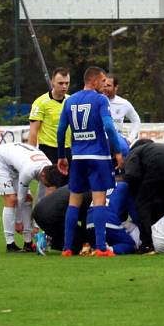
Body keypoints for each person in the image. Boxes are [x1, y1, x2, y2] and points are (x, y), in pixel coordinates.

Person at [57, 66, 124, 257]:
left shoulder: (70, 101)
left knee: (74, 201)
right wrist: (117, 151)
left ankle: (67, 248)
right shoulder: (100, 100)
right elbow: (109, 127)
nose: (105, 85)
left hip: (77, 158)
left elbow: (61, 130)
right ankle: (101, 247)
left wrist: (62, 155)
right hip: (99, 157)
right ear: (94, 81)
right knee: (99, 200)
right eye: (103, 81)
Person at [0, 142, 64, 252]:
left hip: (16, 163)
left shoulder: (48, 168)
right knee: (11, 199)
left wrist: (37, 225)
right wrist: (18, 222)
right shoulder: (29, 171)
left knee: (29, 199)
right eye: (46, 183)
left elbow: (41, 200)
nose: (46, 186)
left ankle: (28, 243)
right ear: (42, 175)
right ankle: (10, 244)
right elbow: (20, 199)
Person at [28, 67, 71, 197]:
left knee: (68, 189)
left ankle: (63, 216)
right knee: (47, 189)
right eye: (60, 83)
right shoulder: (40, 102)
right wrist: (31, 155)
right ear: (52, 82)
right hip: (48, 150)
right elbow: (33, 131)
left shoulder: (71, 101)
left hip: (68, 150)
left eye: (67, 83)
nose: (64, 86)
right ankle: (40, 216)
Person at [102, 74, 141, 143]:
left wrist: (130, 139)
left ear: (116, 87)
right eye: (104, 86)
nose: (105, 88)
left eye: (108, 86)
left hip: (117, 143)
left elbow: (136, 121)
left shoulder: (124, 104)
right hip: (100, 143)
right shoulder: (97, 101)